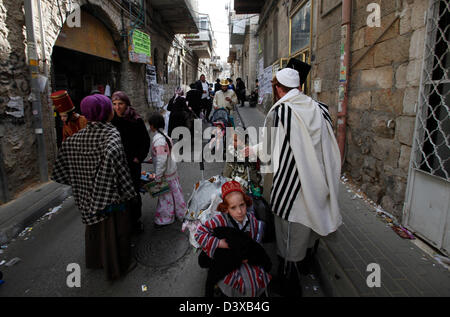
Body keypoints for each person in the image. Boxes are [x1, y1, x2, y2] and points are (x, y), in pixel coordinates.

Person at [247, 66, 342, 297]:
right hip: (319, 184)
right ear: (298, 87)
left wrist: (252, 150)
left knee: (289, 238)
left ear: (278, 89)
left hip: (292, 191)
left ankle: (289, 286)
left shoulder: (279, 112)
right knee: (309, 231)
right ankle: (306, 264)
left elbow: (269, 150)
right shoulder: (321, 109)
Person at [52, 94, 137, 281]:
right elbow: (119, 170)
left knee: (94, 230)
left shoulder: (73, 141)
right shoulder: (111, 135)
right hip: (112, 198)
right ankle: (116, 267)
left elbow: (61, 171)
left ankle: (95, 260)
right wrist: (129, 193)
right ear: (106, 112)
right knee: (115, 231)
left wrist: (82, 181)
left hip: (85, 196)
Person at [195, 180, 272, 297]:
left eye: (242, 205)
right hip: (228, 260)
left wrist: (250, 256)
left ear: (246, 203)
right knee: (232, 282)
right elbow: (199, 233)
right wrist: (218, 242)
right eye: (233, 208)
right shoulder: (220, 220)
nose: (240, 211)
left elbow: (255, 243)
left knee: (253, 279)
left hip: (245, 258)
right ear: (226, 209)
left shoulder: (252, 220)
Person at [111, 91, 150, 234]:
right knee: (119, 192)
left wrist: (138, 157)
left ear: (126, 104)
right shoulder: (111, 120)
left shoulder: (136, 120)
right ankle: (123, 220)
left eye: (120, 104)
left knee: (133, 191)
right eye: (114, 104)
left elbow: (145, 141)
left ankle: (135, 220)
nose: (117, 107)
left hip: (132, 163)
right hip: (117, 163)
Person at [148, 113, 187, 228]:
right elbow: (165, 154)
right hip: (171, 171)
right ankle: (180, 213)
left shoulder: (158, 140)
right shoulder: (165, 136)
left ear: (152, 126)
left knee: (166, 198)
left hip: (165, 174)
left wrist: (158, 176)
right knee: (176, 195)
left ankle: (165, 218)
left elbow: (161, 160)